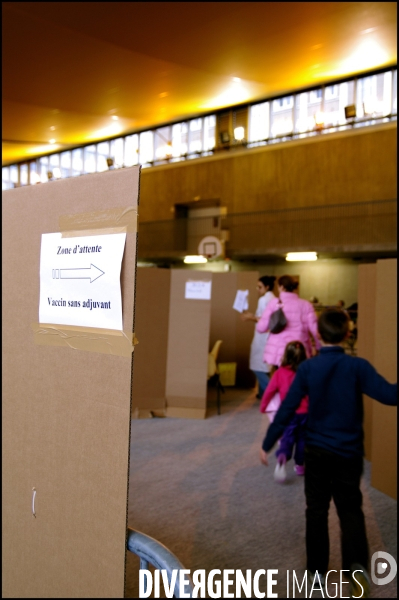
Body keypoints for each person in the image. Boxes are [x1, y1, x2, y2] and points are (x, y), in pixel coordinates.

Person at [259, 307, 397, 598]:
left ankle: (316, 574)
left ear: (317, 335)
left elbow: (286, 409)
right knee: (351, 509)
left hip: (317, 452)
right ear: (348, 334)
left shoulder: (308, 368)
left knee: (316, 511)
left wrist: (268, 442)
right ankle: (357, 569)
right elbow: (390, 395)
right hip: (348, 453)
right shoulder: (358, 367)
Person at [259, 340, 309, 482]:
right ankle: (300, 465)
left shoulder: (280, 373)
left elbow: (269, 391)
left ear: (285, 356)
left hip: (288, 413)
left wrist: (263, 406)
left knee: (287, 437)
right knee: (302, 440)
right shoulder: (307, 372)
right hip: (306, 413)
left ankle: (282, 457)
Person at [256, 274, 321, 370]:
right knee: (299, 381)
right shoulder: (306, 305)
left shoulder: (274, 303)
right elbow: (315, 330)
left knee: (281, 381)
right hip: (299, 351)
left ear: (281, 287)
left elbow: (261, 328)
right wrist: (319, 347)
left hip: (277, 353)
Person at [241, 276, 276, 398]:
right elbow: (262, 317)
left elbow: (265, 321)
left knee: (257, 366)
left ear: (267, 287)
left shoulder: (264, 300)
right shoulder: (273, 299)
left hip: (263, 337)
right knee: (264, 367)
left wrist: (251, 317)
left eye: (260, 287)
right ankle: (262, 393)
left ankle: (271, 392)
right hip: (270, 337)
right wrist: (252, 316)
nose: (258, 289)